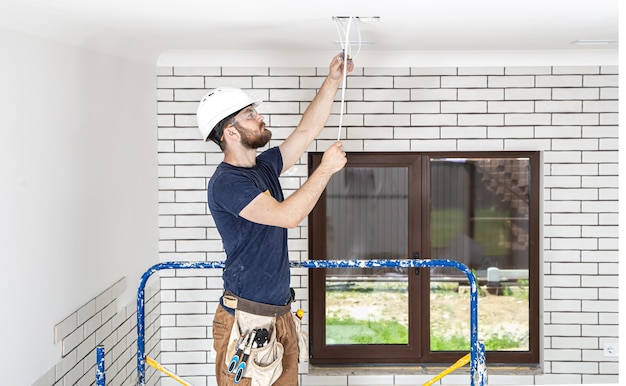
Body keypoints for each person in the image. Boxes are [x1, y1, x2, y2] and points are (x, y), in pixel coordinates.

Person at [196, 52, 354, 386]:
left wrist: (332, 80)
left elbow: (307, 130)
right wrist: (325, 168)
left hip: (279, 312)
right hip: (246, 319)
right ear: (231, 132)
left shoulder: (264, 167)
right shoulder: (227, 184)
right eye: (250, 114)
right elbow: (288, 216)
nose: (260, 117)